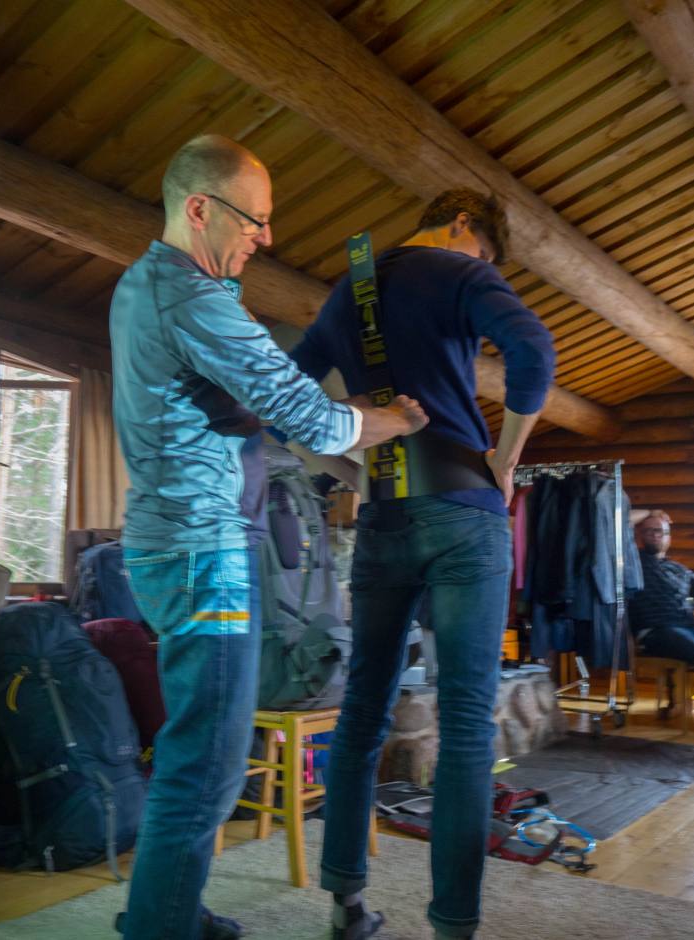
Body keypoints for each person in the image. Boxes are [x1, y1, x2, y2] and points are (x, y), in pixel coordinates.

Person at [109, 133, 428, 940]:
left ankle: (168, 909)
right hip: (202, 555)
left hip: (168, 543)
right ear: (199, 208)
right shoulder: (193, 298)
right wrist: (391, 420)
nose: (266, 235)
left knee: (198, 745)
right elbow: (313, 417)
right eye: (253, 219)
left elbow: (230, 402)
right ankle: (157, 928)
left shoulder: (143, 286)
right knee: (210, 762)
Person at [289, 188, 556, 940]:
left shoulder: (347, 290)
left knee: (362, 713)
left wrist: (346, 471)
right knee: (466, 724)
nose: (482, 264)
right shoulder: (460, 271)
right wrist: (505, 459)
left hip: (382, 513)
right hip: (463, 510)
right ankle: (452, 926)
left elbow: (284, 399)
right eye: (485, 252)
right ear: (463, 224)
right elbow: (534, 352)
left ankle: (345, 905)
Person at [628, 511, 694, 662]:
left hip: (687, 627)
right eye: (649, 530)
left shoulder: (681, 570)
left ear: (668, 537)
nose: (655, 534)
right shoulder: (633, 561)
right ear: (640, 535)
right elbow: (616, 521)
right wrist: (650, 512)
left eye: (660, 530)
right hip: (655, 631)